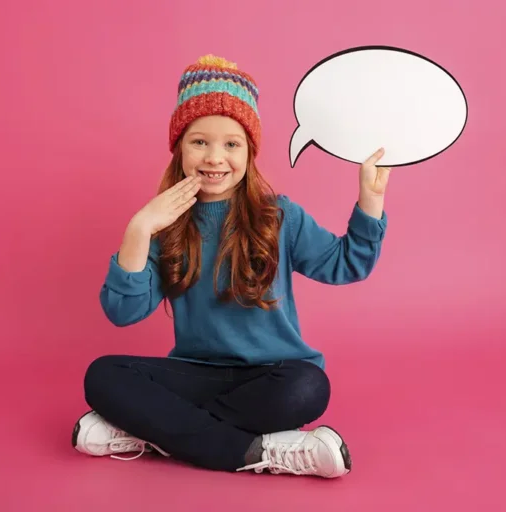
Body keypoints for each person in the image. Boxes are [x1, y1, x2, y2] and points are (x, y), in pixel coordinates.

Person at [72, 54, 390, 478]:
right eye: (199, 141)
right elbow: (123, 312)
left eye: (231, 144)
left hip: (272, 377)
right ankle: (256, 450)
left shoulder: (280, 216)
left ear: (249, 151)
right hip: (196, 374)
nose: (215, 158)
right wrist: (140, 227)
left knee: (309, 388)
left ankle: (156, 432)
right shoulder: (166, 225)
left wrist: (370, 203)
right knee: (103, 375)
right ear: (179, 147)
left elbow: (346, 264)